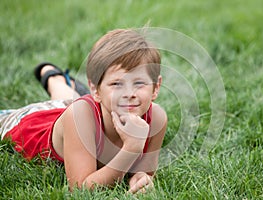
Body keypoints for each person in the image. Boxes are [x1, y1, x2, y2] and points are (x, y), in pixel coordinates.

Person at [0, 28, 167, 194]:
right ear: (94, 89)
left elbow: (145, 172)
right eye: (116, 84)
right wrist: (132, 148)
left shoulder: (157, 118)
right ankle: (53, 77)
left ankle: (58, 79)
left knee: (65, 101)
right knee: (66, 105)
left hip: (73, 108)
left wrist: (142, 178)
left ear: (155, 87)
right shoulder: (78, 116)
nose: (130, 94)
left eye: (139, 83)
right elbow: (81, 189)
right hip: (28, 121)